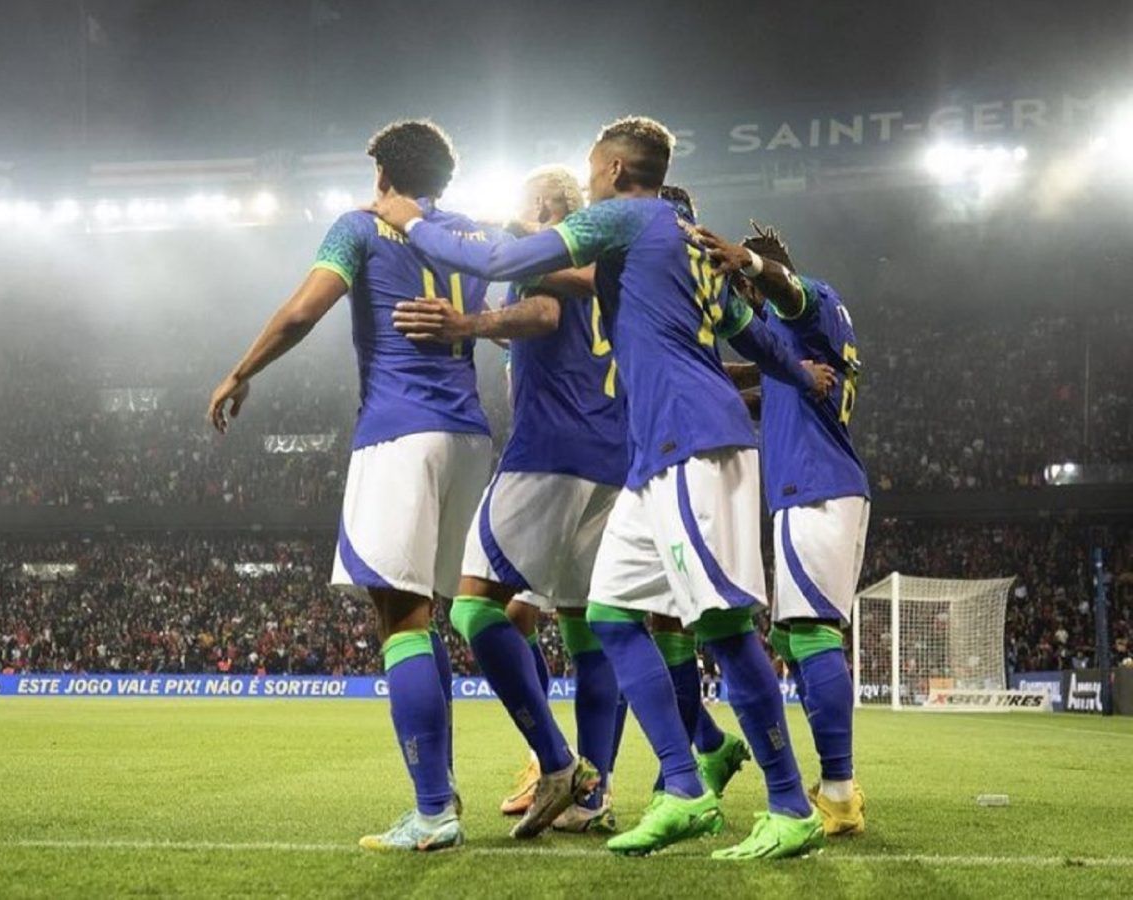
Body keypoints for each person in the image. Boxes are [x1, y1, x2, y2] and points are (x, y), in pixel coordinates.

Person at [371, 115, 832, 859]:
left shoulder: (624, 216)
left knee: (719, 625)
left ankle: (789, 804)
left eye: (593, 169)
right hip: (643, 457)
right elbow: (745, 328)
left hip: (693, 441)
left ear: (617, 170)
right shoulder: (681, 238)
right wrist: (795, 368)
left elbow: (511, 257)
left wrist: (415, 220)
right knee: (614, 616)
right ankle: (682, 784)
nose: (588, 183)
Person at [208, 120, 494, 852]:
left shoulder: (360, 227)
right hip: (469, 437)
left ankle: (433, 811)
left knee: (399, 618)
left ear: (382, 176)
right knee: (424, 615)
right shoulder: (466, 232)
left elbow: (305, 309)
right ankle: (443, 793)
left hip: (400, 431)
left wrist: (242, 371)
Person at [393, 164, 626, 837]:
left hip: (552, 449)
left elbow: (544, 310)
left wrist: (469, 321)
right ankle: (592, 795)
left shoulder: (550, 256)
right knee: (585, 632)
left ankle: (555, 762)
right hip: (611, 458)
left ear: (559, 207)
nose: (535, 214)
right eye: (532, 207)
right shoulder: (611, 269)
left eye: (541, 205)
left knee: (472, 607)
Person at [689, 220, 870, 836]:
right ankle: (837, 784)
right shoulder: (812, 336)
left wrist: (754, 265)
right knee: (798, 639)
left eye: (743, 290)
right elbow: (762, 378)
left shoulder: (805, 303)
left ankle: (840, 794)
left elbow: (790, 294)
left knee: (812, 635)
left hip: (813, 490)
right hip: (829, 488)